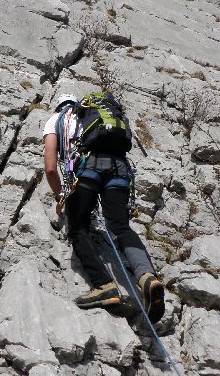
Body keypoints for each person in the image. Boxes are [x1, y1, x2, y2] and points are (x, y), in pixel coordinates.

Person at [43, 93, 165, 322]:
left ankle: (104, 285)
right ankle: (147, 277)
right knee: (120, 226)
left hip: (87, 169)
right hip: (119, 168)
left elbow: (51, 168)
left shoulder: (56, 119)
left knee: (78, 226)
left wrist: (61, 197)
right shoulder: (96, 114)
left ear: (58, 106)